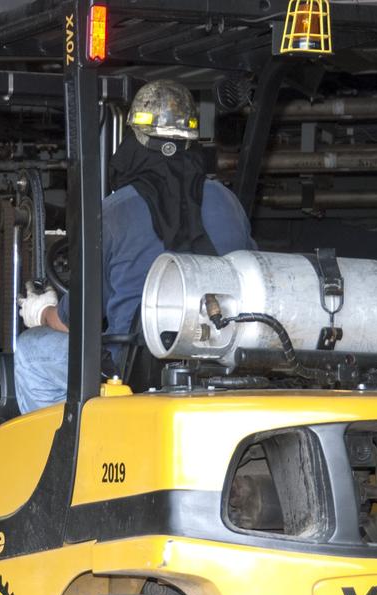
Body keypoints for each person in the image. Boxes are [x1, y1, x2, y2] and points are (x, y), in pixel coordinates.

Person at [14, 79, 256, 413]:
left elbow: (77, 320)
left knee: (31, 352)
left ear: (135, 139)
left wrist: (40, 312)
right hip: (221, 362)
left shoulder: (113, 212)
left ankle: (65, 458)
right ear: (192, 143)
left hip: (137, 369)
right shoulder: (229, 204)